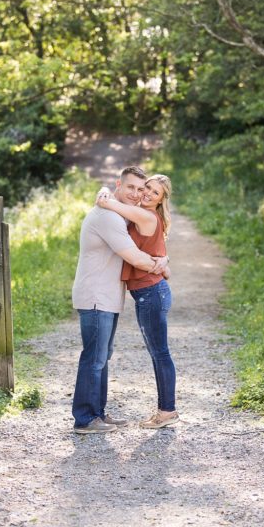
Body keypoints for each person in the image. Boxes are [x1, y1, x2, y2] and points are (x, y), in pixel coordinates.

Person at [72, 166, 169, 435]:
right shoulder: (109, 218)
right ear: (118, 185)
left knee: (102, 356)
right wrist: (163, 266)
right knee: (94, 357)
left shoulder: (117, 213)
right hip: (95, 296)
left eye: (141, 189)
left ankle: (97, 413)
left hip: (107, 298)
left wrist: (165, 258)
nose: (137, 194)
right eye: (131, 188)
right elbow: (135, 257)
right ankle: (85, 418)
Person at [95, 174, 179, 430]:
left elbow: (108, 203)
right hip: (151, 292)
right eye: (146, 188)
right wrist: (163, 264)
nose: (147, 194)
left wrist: (104, 192)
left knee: (160, 352)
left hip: (151, 294)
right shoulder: (146, 215)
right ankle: (165, 410)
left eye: (154, 193)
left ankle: (167, 411)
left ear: (162, 200)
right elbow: (161, 259)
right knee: (158, 352)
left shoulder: (144, 215)